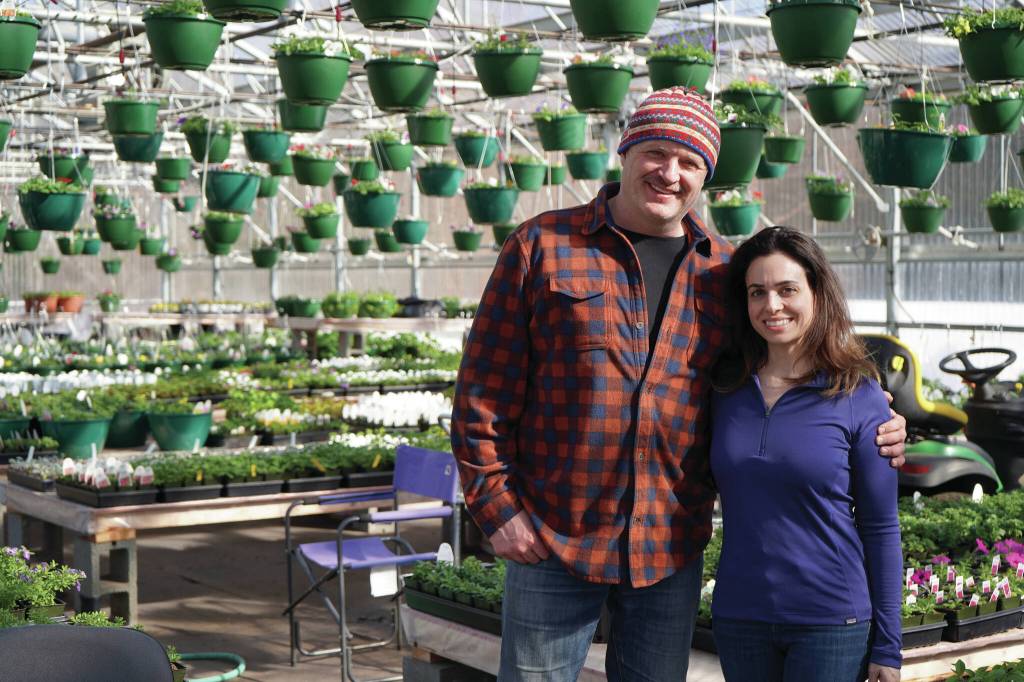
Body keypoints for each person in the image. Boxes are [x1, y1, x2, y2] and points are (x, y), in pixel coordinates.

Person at [450, 87, 907, 681]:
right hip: (554, 540)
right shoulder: (543, 248)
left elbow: (781, 362)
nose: (670, 173)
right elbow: (482, 390)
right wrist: (496, 508)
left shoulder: (722, 271)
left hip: (667, 550)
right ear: (625, 153)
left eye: (690, 162)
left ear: (705, 178)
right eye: (656, 153)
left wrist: (874, 415)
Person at [709, 226, 901, 682]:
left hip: (830, 622)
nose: (771, 306)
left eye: (786, 290)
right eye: (758, 292)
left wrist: (889, 648)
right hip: (740, 616)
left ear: (817, 294)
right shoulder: (723, 389)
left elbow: (881, 526)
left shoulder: (858, 394)